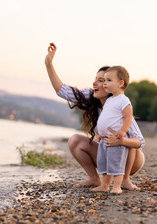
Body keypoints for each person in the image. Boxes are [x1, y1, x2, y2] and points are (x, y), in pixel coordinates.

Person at [45, 42, 145, 191]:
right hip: (110, 153)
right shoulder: (93, 98)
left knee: (127, 139)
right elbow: (64, 91)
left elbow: (139, 142)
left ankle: (125, 180)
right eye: (96, 79)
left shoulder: (121, 104)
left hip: (132, 159)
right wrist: (49, 64)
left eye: (102, 80)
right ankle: (94, 179)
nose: (95, 83)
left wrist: (122, 139)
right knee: (75, 140)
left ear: (112, 85)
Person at [92, 66, 136, 194]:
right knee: (105, 163)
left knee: (116, 163)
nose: (105, 83)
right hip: (104, 138)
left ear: (120, 83)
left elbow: (128, 117)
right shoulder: (110, 100)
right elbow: (105, 117)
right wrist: (99, 133)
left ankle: (117, 186)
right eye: (104, 80)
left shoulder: (123, 100)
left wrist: (122, 131)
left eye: (108, 80)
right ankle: (105, 185)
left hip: (115, 138)